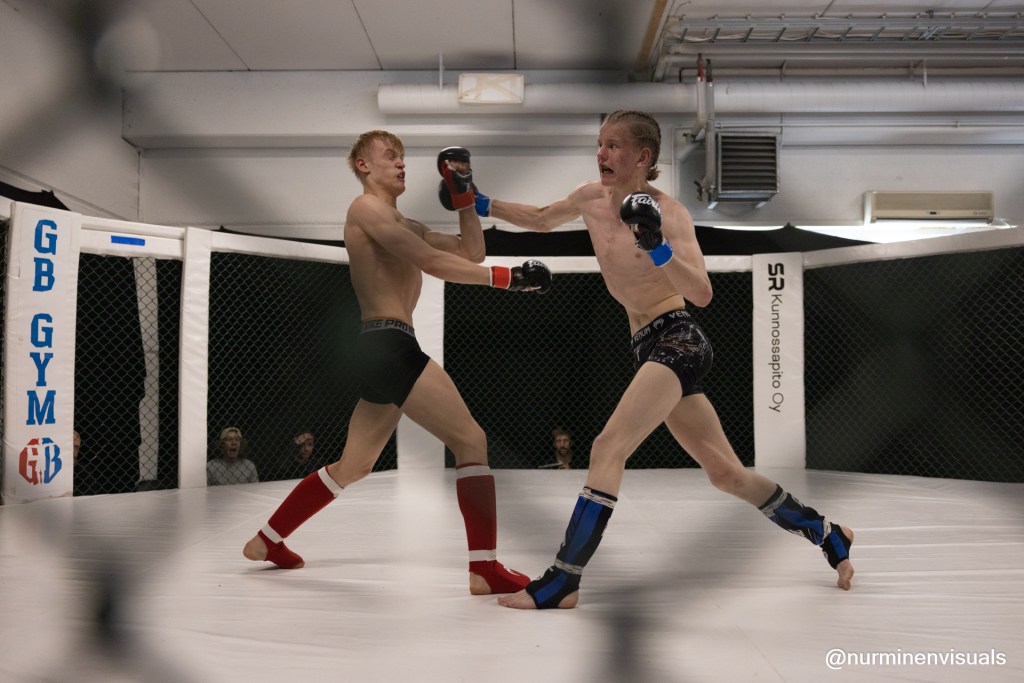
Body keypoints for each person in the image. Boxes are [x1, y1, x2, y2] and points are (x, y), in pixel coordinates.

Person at [467, 110, 854, 609]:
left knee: (607, 447)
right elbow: (540, 218)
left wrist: (656, 246)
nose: (601, 153)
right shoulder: (589, 197)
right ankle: (828, 533)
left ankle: (564, 580)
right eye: (600, 143)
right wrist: (478, 201)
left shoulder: (670, 214)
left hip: (679, 339)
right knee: (726, 474)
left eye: (613, 145)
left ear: (642, 157)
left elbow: (703, 293)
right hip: (646, 345)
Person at [242, 131, 551, 596]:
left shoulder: (409, 224)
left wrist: (465, 197)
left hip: (384, 346)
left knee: (354, 465)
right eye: (390, 156)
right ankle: (483, 569)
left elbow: (472, 252)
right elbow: (431, 262)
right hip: (386, 343)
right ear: (364, 165)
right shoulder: (364, 209)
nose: (402, 163)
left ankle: (266, 540)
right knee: (471, 439)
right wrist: (508, 278)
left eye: (404, 157)